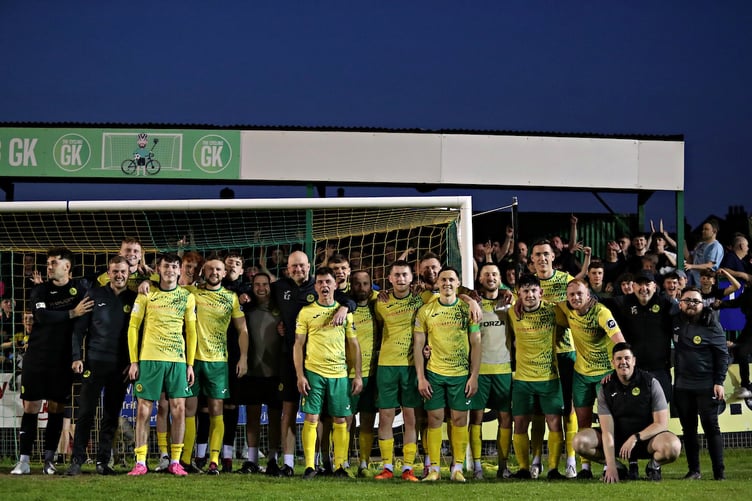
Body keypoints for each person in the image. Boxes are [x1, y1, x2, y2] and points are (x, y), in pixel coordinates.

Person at [272, 251, 355, 477]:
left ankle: (330, 462)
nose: (298, 270)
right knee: (291, 410)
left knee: (331, 417)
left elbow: (349, 300)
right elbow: (262, 301)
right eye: (293, 266)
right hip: (293, 360)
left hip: (329, 367)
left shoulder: (325, 291)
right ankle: (291, 463)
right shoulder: (279, 287)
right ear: (287, 268)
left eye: (301, 265)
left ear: (308, 266)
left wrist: (346, 306)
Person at [10, 248, 92, 476]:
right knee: (31, 407)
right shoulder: (40, 290)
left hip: (63, 359)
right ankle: (24, 460)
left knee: (57, 409)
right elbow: (42, 317)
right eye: (48, 263)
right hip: (37, 357)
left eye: (54, 262)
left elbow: (81, 323)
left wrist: (77, 355)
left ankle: (49, 460)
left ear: (67, 267)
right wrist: (70, 313)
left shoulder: (80, 290)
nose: (49, 266)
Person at [126, 253, 197, 476]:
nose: (170, 270)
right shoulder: (146, 294)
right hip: (149, 359)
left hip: (177, 360)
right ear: (159, 269)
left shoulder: (187, 297)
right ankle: (140, 461)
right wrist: (134, 361)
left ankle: (175, 460)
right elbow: (133, 328)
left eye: (174, 267)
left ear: (179, 271)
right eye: (166, 266)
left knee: (179, 409)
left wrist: (190, 364)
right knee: (143, 411)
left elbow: (192, 331)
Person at [65, 256, 138, 476]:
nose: (119, 275)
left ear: (129, 273)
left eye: (123, 272)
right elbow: (78, 330)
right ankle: (77, 460)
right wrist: (76, 357)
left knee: (111, 415)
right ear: (108, 272)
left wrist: (135, 362)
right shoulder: (94, 294)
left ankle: (103, 462)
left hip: (120, 368)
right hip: (94, 363)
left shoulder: (134, 299)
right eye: (115, 271)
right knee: (85, 412)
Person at [572, 342, 681, 483]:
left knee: (673, 446)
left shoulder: (650, 383)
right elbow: (607, 431)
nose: (623, 362)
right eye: (618, 359)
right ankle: (618, 468)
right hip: (617, 442)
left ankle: (653, 466)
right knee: (579, 441)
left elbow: (661, 424)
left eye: (627, 358)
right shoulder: (605, 388)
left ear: (634, 361)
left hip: (646, 441)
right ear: (613, 363)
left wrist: (635, 438)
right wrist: (610, 465)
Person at [180, 258, 248, 475]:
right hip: (193, 361)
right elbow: (167, 285)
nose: (214, 272)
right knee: (189, 411)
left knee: (216, 412)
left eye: (218, 269)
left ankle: (214, 461)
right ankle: (185, 459)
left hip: (218, 363)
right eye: (210, 268)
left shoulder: (231, 298)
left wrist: (244, 357)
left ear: (224, 272)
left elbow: (243, 330)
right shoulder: (193, 293)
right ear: (204, 271)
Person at [413, 267, 481, 482]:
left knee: (460, 420)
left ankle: (457, 468)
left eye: (451, 279)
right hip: (434, 373)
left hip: (461, 375)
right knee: (434, 419)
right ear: (438, 283)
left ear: (458, 282)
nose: (447, 283)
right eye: (443, 279)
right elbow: (418, 346)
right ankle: (434, 468)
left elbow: (476, 343)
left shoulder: (467, 309)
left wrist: (474, 375)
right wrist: (421, 377)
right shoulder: (425, 311)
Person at [294, 267, 362, 479]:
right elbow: (298, 345)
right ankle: (309, 466)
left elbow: (354, 345)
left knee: (340, 419)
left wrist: (357, 374)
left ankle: (340, 466)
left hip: (339, 374)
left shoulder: (345, 313)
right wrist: (300, 375)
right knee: (311, 417)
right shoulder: (306, 312)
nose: (324, 286)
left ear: (335, 285)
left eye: (328, 282)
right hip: (313, 372)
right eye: (320, 282)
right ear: (315, 287)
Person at [556, 278, 625, 479]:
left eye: (580, 293)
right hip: (581, 374)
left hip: (604, 375)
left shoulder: (601, 312)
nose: (575, 297)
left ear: (588, 295)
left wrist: (617, 369)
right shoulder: (566, 309)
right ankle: (585, 468)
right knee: (583, 421)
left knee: (607, 422)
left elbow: (620, 341)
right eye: (571, 295)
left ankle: (608, 464)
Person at [373, 260, 434, 482]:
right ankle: (387, 467)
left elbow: (450, 291)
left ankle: (408, 467)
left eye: (404, 275)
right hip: (386, 366)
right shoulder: (379, 302)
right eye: (396, 275)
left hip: (411, 366)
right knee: (386, 416)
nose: (400, 279)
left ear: (411, 278)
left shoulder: (422, 299)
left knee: (411, 418)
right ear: (389, 279)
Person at [507, 274, 566, 480]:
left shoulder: (552, 310)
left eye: (533, 290)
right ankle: (523, 468)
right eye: (525, 291)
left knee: (554, 423)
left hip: (549, 378)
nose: (530, 295)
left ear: (541, 292)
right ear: (519, 294)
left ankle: (553, 469)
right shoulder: (511, 313)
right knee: (520, 423)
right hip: (522, 379)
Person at [527, 239, 578, 478]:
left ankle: (571, 459)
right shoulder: (528, 284)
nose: (542, 258)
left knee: (568, 409)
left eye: (546, 254)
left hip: (566, 352)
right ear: (532, 259)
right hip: (536, 355)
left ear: (553, 256)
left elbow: (581, 306)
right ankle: (536, 458)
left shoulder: (566, 281)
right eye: (538, 254)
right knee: (539, 411)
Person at [673, 287, 729, 480]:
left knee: (711, 426)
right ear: (680, 302)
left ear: (702, 303)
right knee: (688, 430)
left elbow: (723, 354)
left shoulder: (711, 323)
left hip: (706, 385)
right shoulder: (675, 320)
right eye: (687, 300)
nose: (691, 304)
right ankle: (694, 470)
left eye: (696, 301)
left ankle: (718, 472)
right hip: (682, 386)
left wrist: (719, 382)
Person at [236, 272, 284, 475]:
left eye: (265, 284)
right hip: (252, 370)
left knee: (275, 418)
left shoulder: (280, 307)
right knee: (252, 417)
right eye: (257, 284)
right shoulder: (246, 307)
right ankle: (252, 460)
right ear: (252, 286)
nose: (261, 288)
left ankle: (273, 459)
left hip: (275, 371)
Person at [468, 262, 513, 480]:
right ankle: (477, 466)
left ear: (500, 278)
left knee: (506, 418)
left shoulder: (509, 303)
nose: (491, 277)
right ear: (480, 279)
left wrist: (510, 292)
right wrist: (468, 297)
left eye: (495, 273)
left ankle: (503, 465)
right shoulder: (473, 303)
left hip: (504, 369)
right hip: (480, 370)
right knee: (475, 418)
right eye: (487, 274)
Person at [604, 271, 676, 403]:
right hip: (633, 371)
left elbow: (685, 314)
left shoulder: (666, 303)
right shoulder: (624, 302)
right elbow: (600, 302)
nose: (644, 288)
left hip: (660, 369)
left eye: (647, 284)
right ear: (634, 287)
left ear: (654, 286)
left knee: (661, 408)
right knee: (636, 411)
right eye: (639, 284)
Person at [347, 270, 379, 477]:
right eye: (357, 284)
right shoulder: (345, 307)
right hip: (348, 374)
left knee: (367, 420)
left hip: (373, 373)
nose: (362, 288)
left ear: (371, 286)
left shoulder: (378, 305)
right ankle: (343, 461)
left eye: (365, 284)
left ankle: (364, 463)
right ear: (351, 285)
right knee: (346, 421)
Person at [685, 219, 724, 287]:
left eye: (706, 229)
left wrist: (691, 266)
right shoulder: (700, 245)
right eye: (703, 229)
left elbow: (710, 266)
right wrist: (683, 245)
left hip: (705, 286)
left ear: (714, 231)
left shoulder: (716, 246)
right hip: (694, 283)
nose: (703, 231)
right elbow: (691, 261)